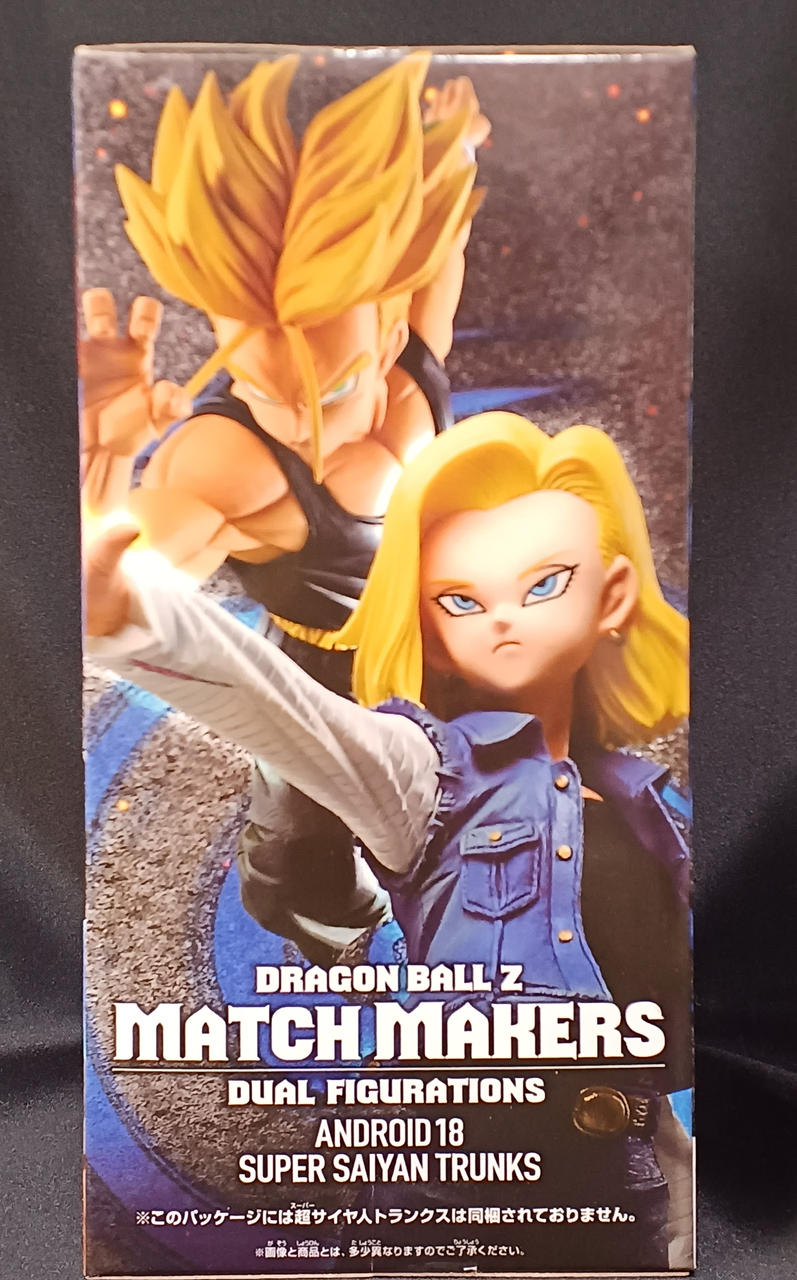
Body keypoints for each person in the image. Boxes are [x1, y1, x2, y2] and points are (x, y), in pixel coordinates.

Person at [85, 411, 691, 1271]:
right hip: (454, 1205)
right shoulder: (428, 773)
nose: (503, 620)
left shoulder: (643, 805)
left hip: (614, 1203)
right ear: (429, 624)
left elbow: (635, 1051)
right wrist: (134, 617)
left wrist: (689, 1207)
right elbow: (288, 712)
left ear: (614, 594)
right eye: (460, 600)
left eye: (544, 585)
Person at [79, 54, 490, 958]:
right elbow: (119, 576)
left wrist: (450, 155)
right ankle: (346, 957)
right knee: (298, 867)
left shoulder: (407, 367)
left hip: (443, 641)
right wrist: (101, 461)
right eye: (263, 384)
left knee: (509, 813)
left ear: (385, 325)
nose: (299, 415)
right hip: (318, 683)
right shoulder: (229, 459)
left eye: (328, 383)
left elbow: (437, 254)